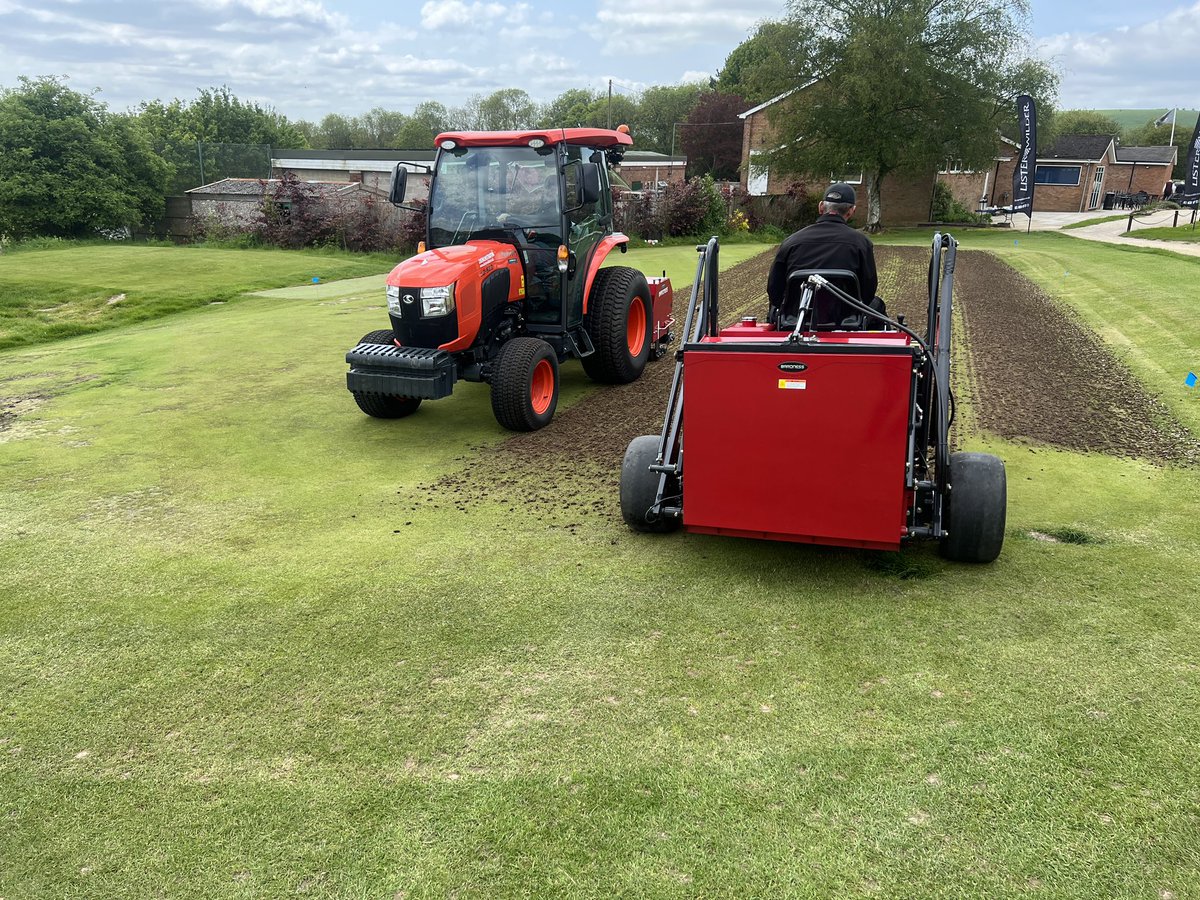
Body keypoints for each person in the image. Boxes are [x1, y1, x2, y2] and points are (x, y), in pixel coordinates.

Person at [767, 182, 884, 328]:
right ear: (851, 211)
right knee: (878, 305)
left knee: (773, 310)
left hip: (795, 319)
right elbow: (868, 292)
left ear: (821, 207)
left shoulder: (791, 242)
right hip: (847, 320)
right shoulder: (861, 243)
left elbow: (774, 290)